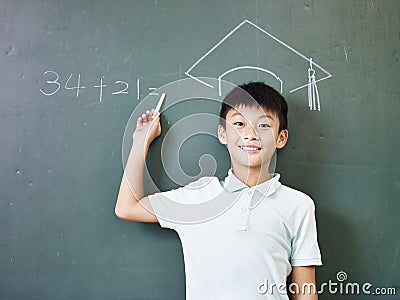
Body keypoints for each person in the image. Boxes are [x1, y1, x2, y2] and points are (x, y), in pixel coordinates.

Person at [115, 82, 322, 299]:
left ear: (281, 138)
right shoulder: (198, 197)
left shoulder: (298, 205)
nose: (250, 134)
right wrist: (141, 142)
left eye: (263, 126)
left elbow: (305, 290)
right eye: (239, 123)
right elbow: (127, 207)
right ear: (222, 134)